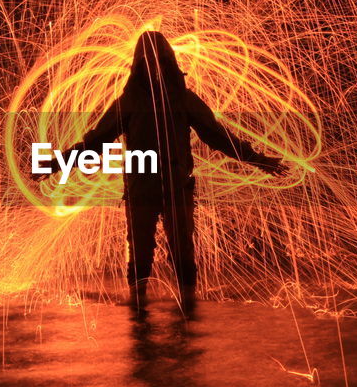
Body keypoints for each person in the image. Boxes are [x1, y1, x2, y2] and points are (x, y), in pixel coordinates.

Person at [56, 31, 285, 307]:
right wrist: (59, 162)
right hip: (143, 192)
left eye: (160, 60)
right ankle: (144, 319)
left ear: (168, 62)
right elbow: (96, 141)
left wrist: (257, 160)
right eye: (149, 61)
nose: (155, 66)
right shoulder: (132, 102)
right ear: (140, 64)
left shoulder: (178, 99)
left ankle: (183, 315)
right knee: (141, 259)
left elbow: (217, 136)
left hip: (174, 189)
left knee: (182, 256)